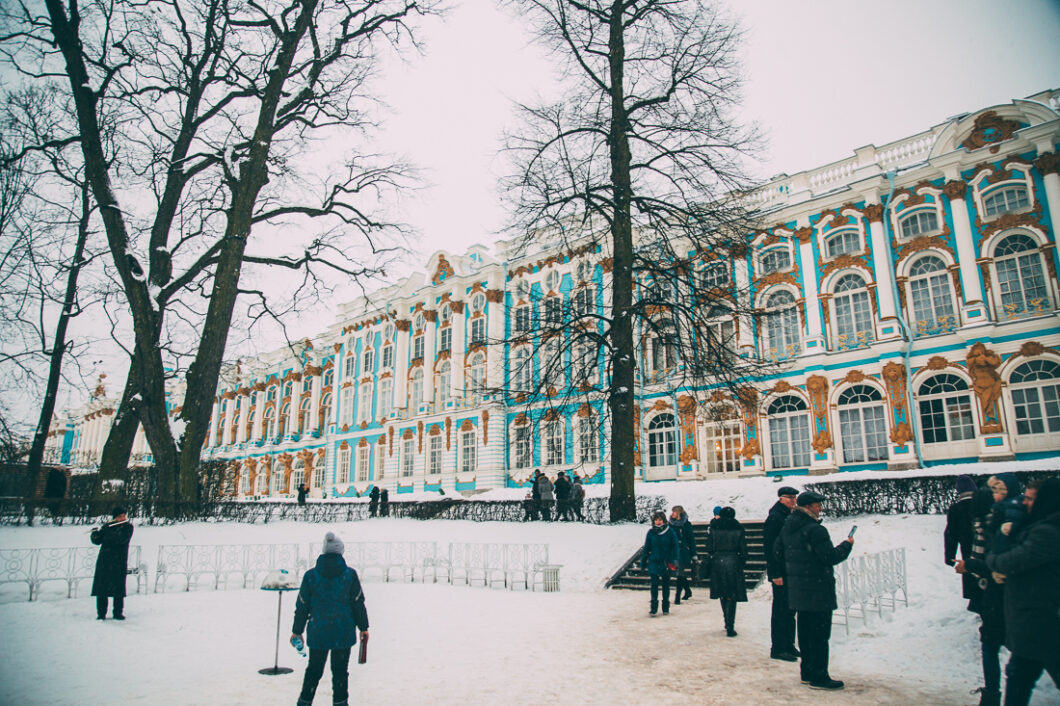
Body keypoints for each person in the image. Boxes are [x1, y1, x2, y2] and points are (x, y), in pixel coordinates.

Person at [987, 477, 1060, 706]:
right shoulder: (1039, 525)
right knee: (1019, 676)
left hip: (1040, 620)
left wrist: (992, 560)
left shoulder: (1047, 532)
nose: (1024, 503)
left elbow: (1009, 561)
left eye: (1031, 499)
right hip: (1038, 620)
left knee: (1019, 677)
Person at [775, 490, 853, 691]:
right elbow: (830, 557)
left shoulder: (789, 527)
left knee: (806, 634)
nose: (821, 508)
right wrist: (846, 545)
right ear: (809, 506)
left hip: (800, 589)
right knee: (819, 636)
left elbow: (777, 551)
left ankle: (807, 673)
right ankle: (819, 676)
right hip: (818, 588)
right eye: (818, 505)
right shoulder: (815, 530)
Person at [292, 532, 370, 706]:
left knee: (313, 671)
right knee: (340, 673)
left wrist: (297, 631)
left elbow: (302, 606)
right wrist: (363, 627)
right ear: (340, 552)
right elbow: (358, 603)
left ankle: (304, 702)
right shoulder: (349, 575)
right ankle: (340, 703)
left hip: (318, 630)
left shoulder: (311, 576)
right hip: (343, 632)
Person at [956, 487, 1005, 706]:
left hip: (996, 595)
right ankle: (992, 693)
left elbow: (990, 562)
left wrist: (970, 565)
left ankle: (991, 695)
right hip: (996, 594)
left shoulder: (987, 526)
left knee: (992, 644)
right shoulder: (998, 523)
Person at [765, 486, 800, 661]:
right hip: (781, 570)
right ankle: (778, 647)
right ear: (781, 498)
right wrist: (775, 572)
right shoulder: (775, 518)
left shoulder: (788, 515)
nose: (793, 500)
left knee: (790, 609)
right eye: (790, 498)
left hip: (790, 569)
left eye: (795, 497)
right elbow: (771, 547)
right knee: (780, 610)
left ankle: (788, 644)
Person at [706, 506, 747, 636]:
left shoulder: (714, 527)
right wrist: (741, 561)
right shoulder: (738, 528)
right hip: (733, 561)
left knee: (722, 593)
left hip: (718, 562)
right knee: (732, 594)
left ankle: (726, 620)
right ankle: (730, 625)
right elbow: (744, 549)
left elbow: (709, 547)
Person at [90, 506, 134, 621]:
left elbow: (120, 540)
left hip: (119, 561)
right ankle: (101, 613)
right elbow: (98, 541)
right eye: (120, 516)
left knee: (118, 589)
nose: (122, 518)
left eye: (124, 515)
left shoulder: (128, 527)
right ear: (115, 517)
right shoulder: (107, 527)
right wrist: (95, 534)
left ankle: (118, 612)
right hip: (105, 561)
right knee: (102, 589)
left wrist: (107, 530)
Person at [944, 474, 977, 601]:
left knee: (969, 572)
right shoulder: (981, 504)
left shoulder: (956, 509)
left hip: (966, 547)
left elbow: (950, 534)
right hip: (984, 546)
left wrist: (950, 557)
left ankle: (975, 601)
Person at [640, 510, 678, 616]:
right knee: (654, 585)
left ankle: (665, 606)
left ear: (664, 521)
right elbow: (646, 547)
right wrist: (643, 561)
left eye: (660, 520)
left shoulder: (670, 532)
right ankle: (653, 607)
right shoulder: (651, 532)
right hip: (654, 561)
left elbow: (674, 547)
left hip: (665, 562)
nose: (658, 522)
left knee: (666, 585)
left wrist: (674, 560)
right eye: (656, 520)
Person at [669, 505, 697, 605]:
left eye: (674, 512)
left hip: (683, 551)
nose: (672, 514)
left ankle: (677, 596)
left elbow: (691, 539)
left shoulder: (686, 525)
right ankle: (688, 590)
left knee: (680, 573)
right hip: (673, 551)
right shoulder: (670, 525)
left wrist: (694, 554)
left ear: (679, 513)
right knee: (679, 573)